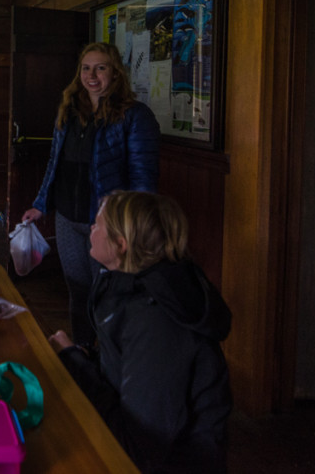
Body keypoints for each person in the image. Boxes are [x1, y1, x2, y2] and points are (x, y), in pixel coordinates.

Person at [49, 190, 232, 474]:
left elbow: (137, 448)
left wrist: (75, 361)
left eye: (97, 224)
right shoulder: (130, 286)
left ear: (120, 245)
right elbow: (126, 369)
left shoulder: (157, 320)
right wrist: (88, 357)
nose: (91, 230)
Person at [21, 41, 160, 347]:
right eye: (86, 68)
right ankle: (80, 354)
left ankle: (111, 365)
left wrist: (132, 227)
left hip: (109, 225)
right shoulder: (69, 110)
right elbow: (55, 163)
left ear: (116, 73)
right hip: (68, 219)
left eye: (101, 68)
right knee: (78, 291)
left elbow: (143, 180)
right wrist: (41, 204)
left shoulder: (135, 116)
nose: (92, 75)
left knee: (109, 295)